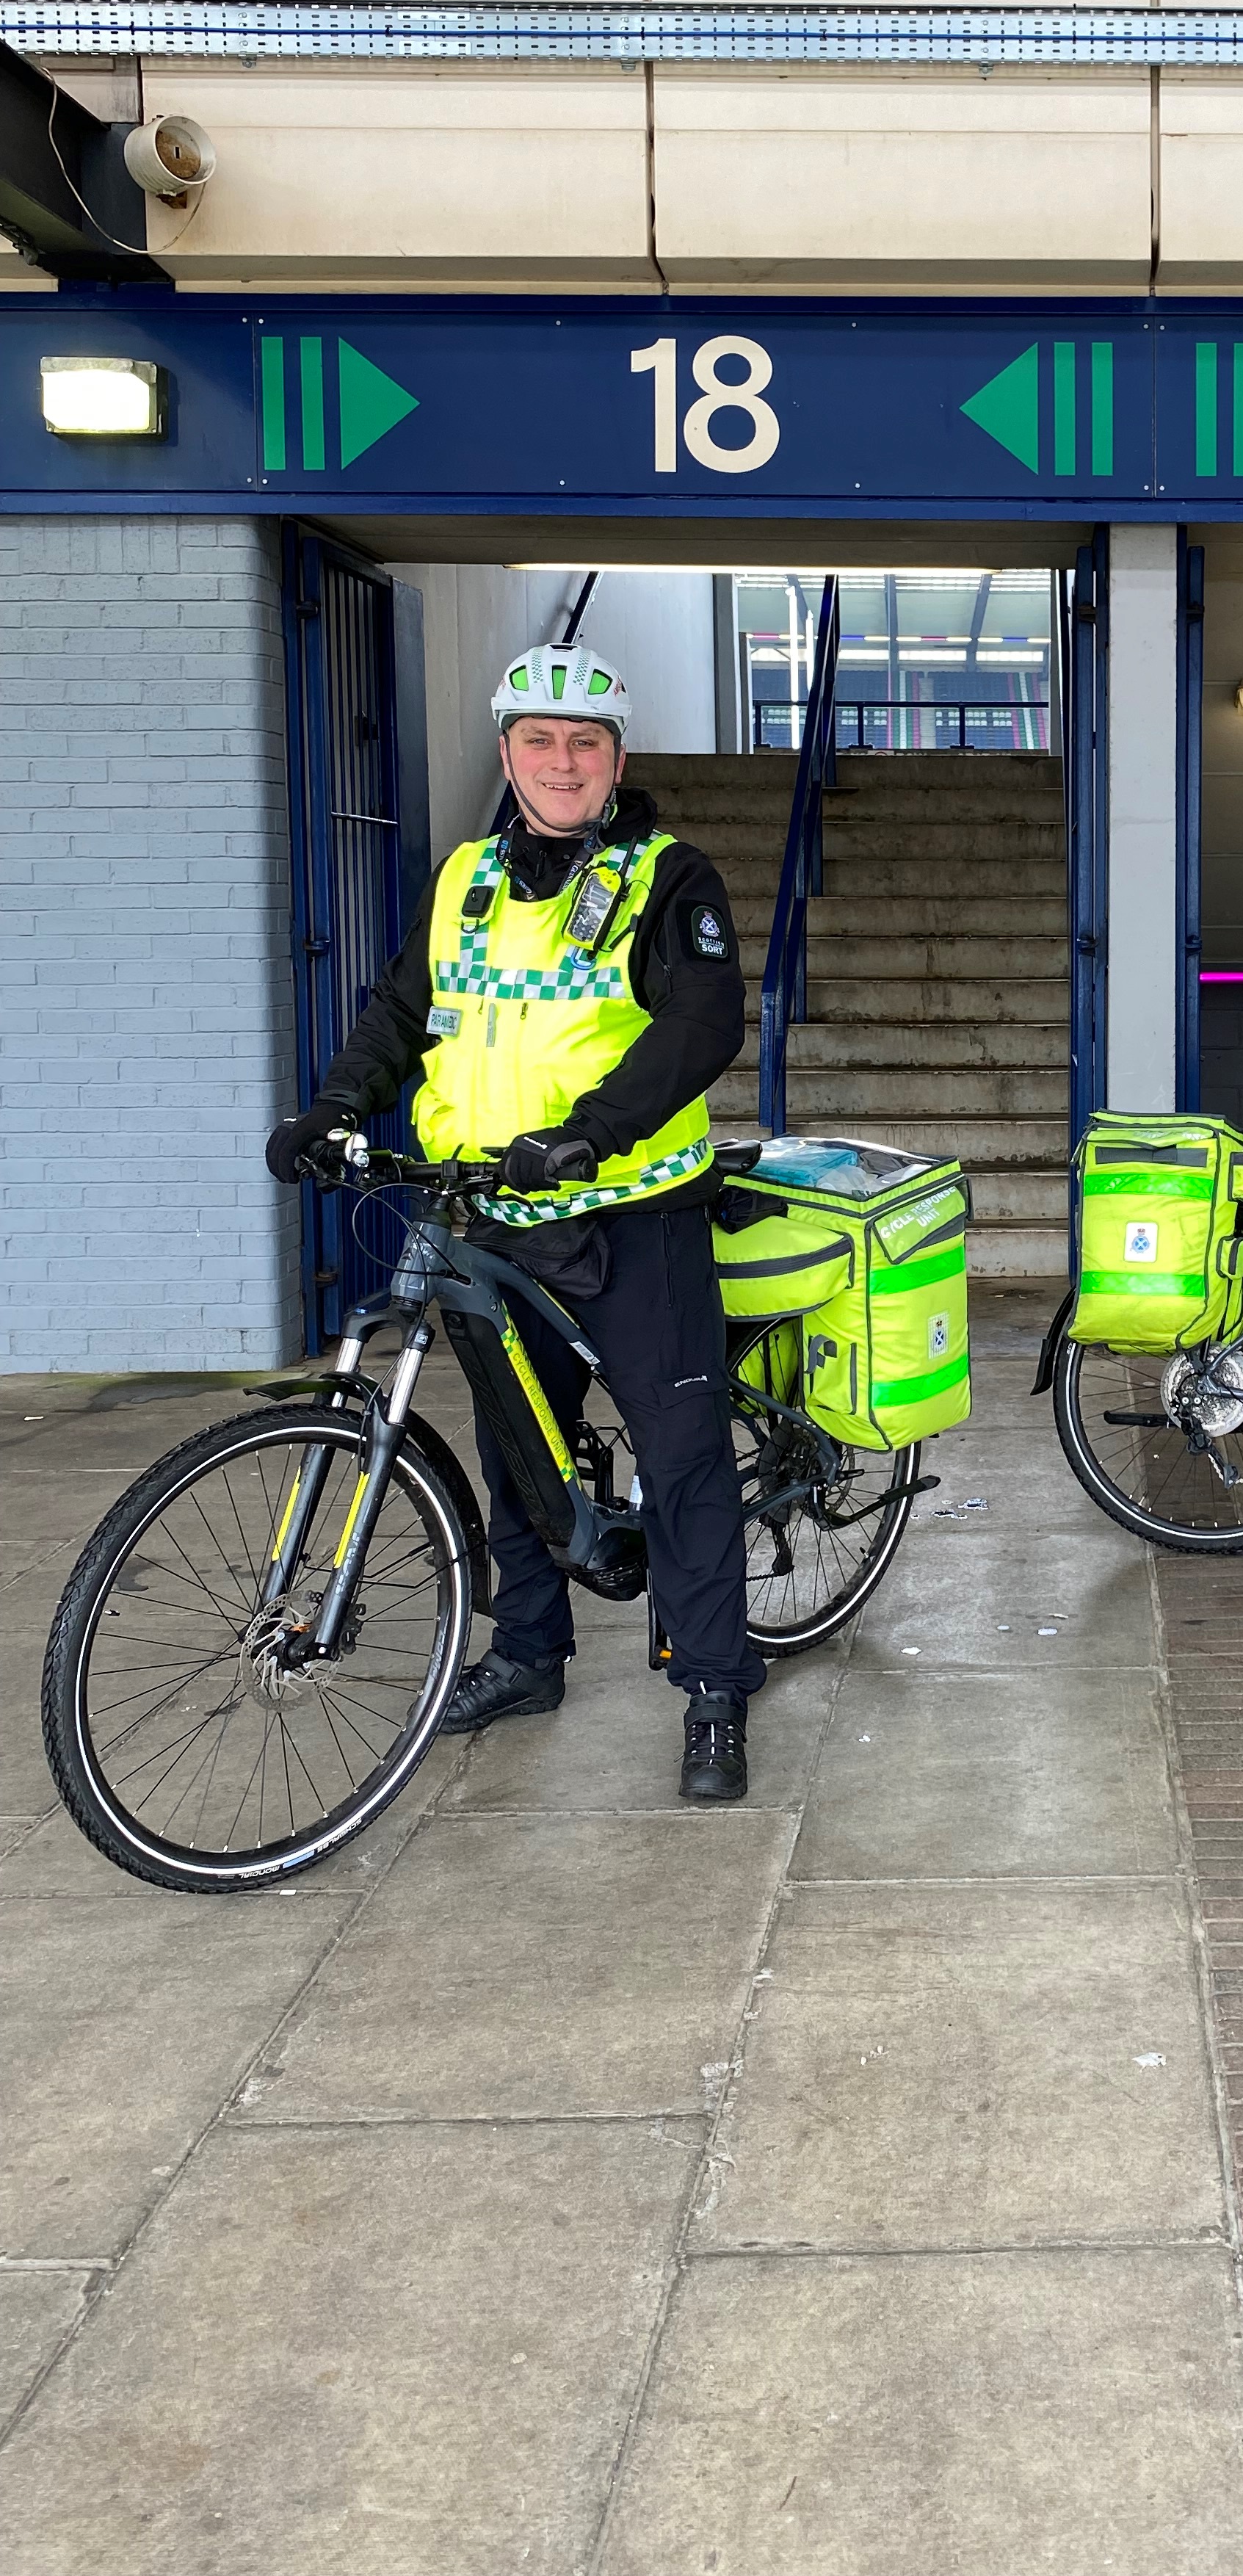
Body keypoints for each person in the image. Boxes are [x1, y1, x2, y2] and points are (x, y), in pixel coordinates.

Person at [264, 643, 764, 1799]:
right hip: (484, 1208)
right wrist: (338, 1103)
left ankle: (716, 1688)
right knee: (511, 1442)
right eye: (538, 741)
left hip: (628, 1210)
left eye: (584, 742)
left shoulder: (667, 878)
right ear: (506, 755)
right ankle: (528, 1653)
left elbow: (702, 1023)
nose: (561, 761)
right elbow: (401, 1010)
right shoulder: (463, 879)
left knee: (681, 1448)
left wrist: (593, 1128)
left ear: (617, 758)